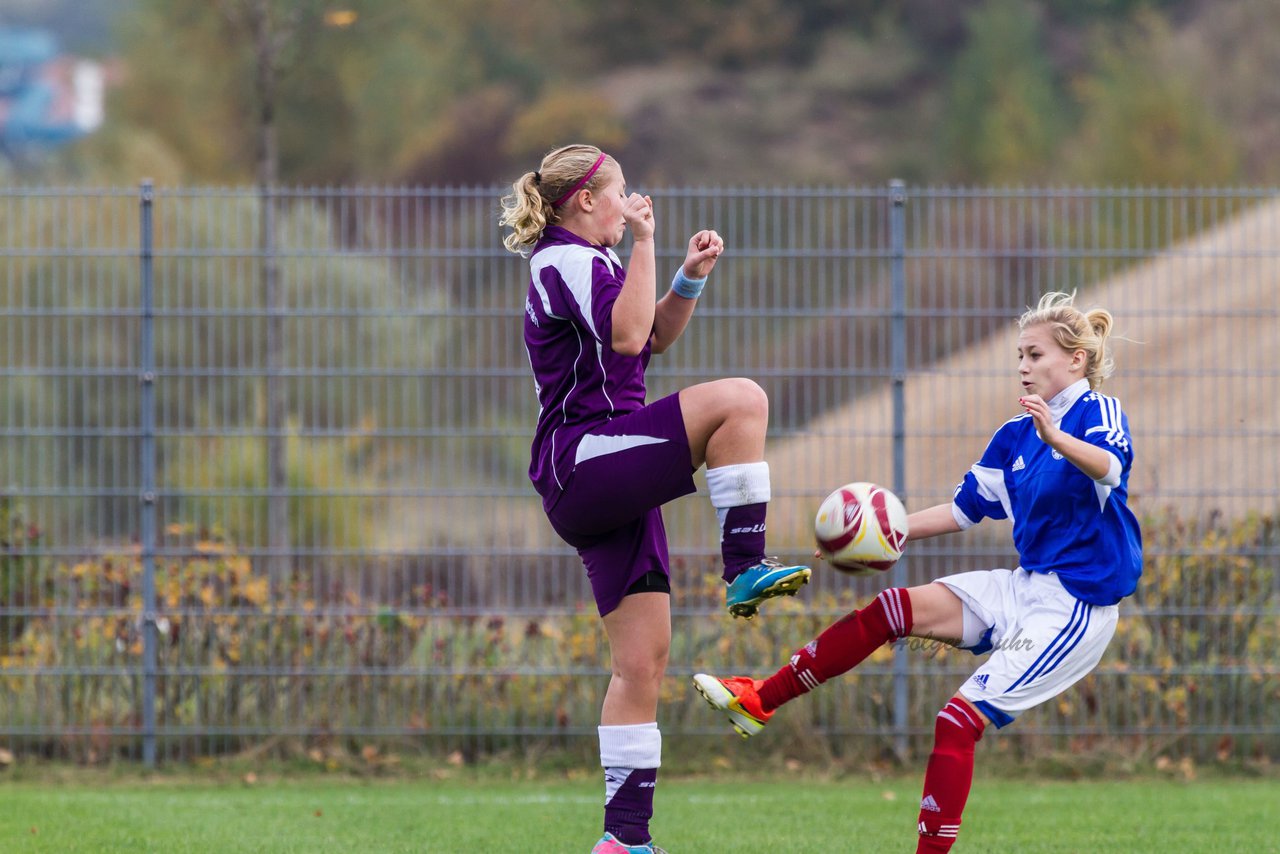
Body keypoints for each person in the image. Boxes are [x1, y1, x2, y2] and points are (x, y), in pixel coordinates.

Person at [694, 291, 1143, 853]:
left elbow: (1111, 466)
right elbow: (963, 511)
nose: (1024, 367)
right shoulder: (1015, 435)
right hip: (1024, 586)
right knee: (891, 610)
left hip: (1076, 607)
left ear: (1075, 360)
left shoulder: (1096, 413)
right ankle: (759, 699)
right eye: (1020, 357)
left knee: (956, 722)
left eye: (1035, 355)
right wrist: (875, 531)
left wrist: (1057, 437)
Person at [499, 144, 811, 854]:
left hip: (601, 472)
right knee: (741, 401)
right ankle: (743, 567)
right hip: (583, 458)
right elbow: (630, 332)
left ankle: (624, 841)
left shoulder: (592, 263)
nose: (631, 202)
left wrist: (685, 279)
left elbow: (654, 337)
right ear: (586, 201)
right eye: (622, 194)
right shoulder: (564, 260)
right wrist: (646, 239)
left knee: (642, 662)